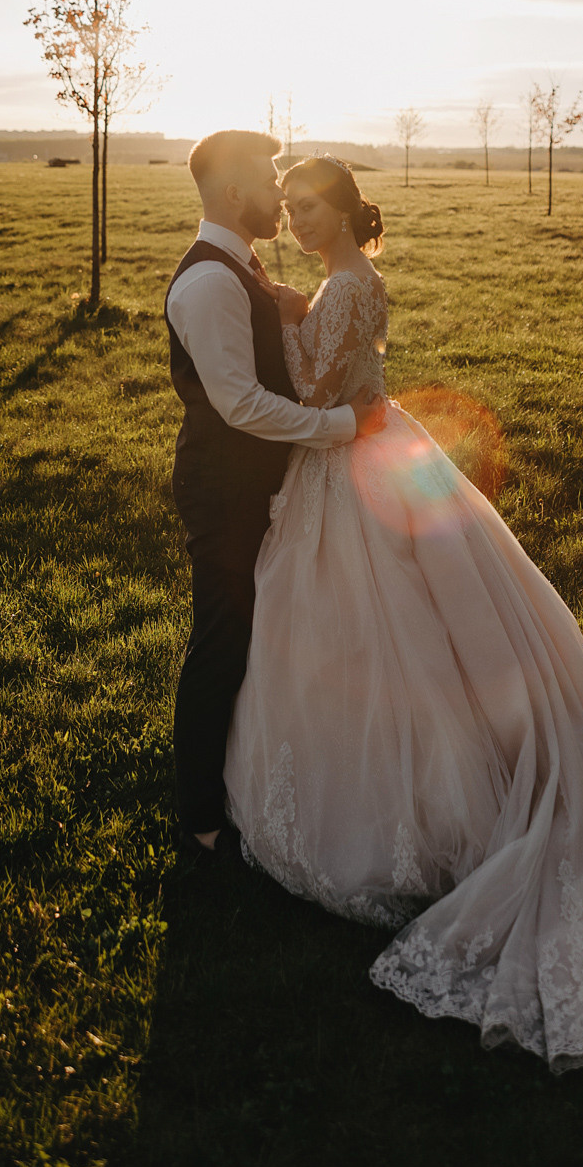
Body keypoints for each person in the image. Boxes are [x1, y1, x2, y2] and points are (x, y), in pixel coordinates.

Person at [224, 154, 583, 1072]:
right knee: (403, 628)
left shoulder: (346, 287)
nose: (299, 218)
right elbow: (337, 358)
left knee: (379, 633)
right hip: (380, 445)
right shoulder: (350, 282)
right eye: (289, 206)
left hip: (351, 462)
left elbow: (313, 391)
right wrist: (292, 309)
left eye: (312, 206)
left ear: (351, 211)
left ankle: (416, 819)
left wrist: (272, 328)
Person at [164, 130, 386, 859]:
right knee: (222, 641)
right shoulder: (207, 281)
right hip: (225, 489)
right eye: (268, 183)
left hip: (262, 481)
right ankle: (199, 817)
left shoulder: (243, 268)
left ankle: (252, 773)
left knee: (260, 633)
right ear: (235, 193)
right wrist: (341, 426)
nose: (279, 200)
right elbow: (242, 405)